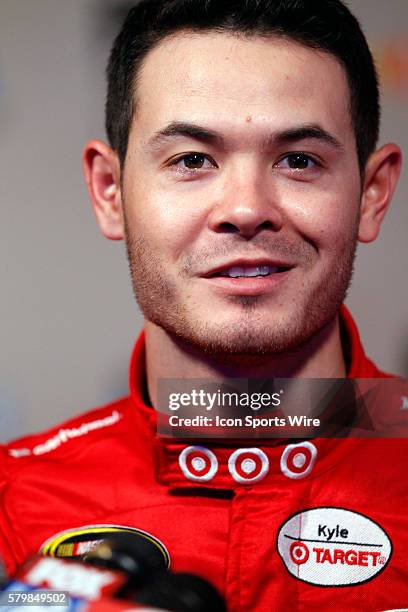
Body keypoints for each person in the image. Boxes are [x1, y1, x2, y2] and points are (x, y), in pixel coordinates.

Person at [0, 0, 407, 609]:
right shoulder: (11, 508)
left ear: (373, 194)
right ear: (110, 192)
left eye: (299, 161)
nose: (245, 209)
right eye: (192, 160)